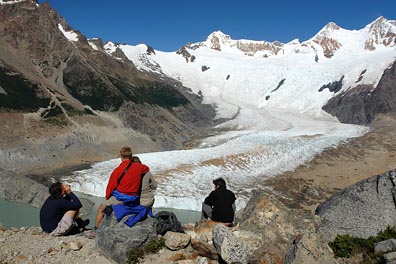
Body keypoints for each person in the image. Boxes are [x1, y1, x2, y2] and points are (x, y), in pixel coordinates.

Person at [94, 146, 150, 229]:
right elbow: (147, 168)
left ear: (121, 156)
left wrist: (107, 197)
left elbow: (111, 186)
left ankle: (96, 228)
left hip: (121, 198)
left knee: (101, 208)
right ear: (131, 155)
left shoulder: (118, 170)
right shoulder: (139, 167)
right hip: (134, 197)